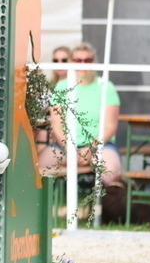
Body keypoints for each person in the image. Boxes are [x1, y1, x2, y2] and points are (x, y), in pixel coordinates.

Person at [37, 42, 122, 187]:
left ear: (94, 62)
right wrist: (70, 149)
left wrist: (91, 149)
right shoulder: (61, 87)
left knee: (111, 172)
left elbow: (110, 127)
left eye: (88, 60)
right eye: (78, 60)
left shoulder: (106, 87)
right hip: (65, 147)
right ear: (71, 62)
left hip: (100, 147)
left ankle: (101, 207)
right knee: (36, 171)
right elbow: (56, 124)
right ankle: (43, 207)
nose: (83, 64)